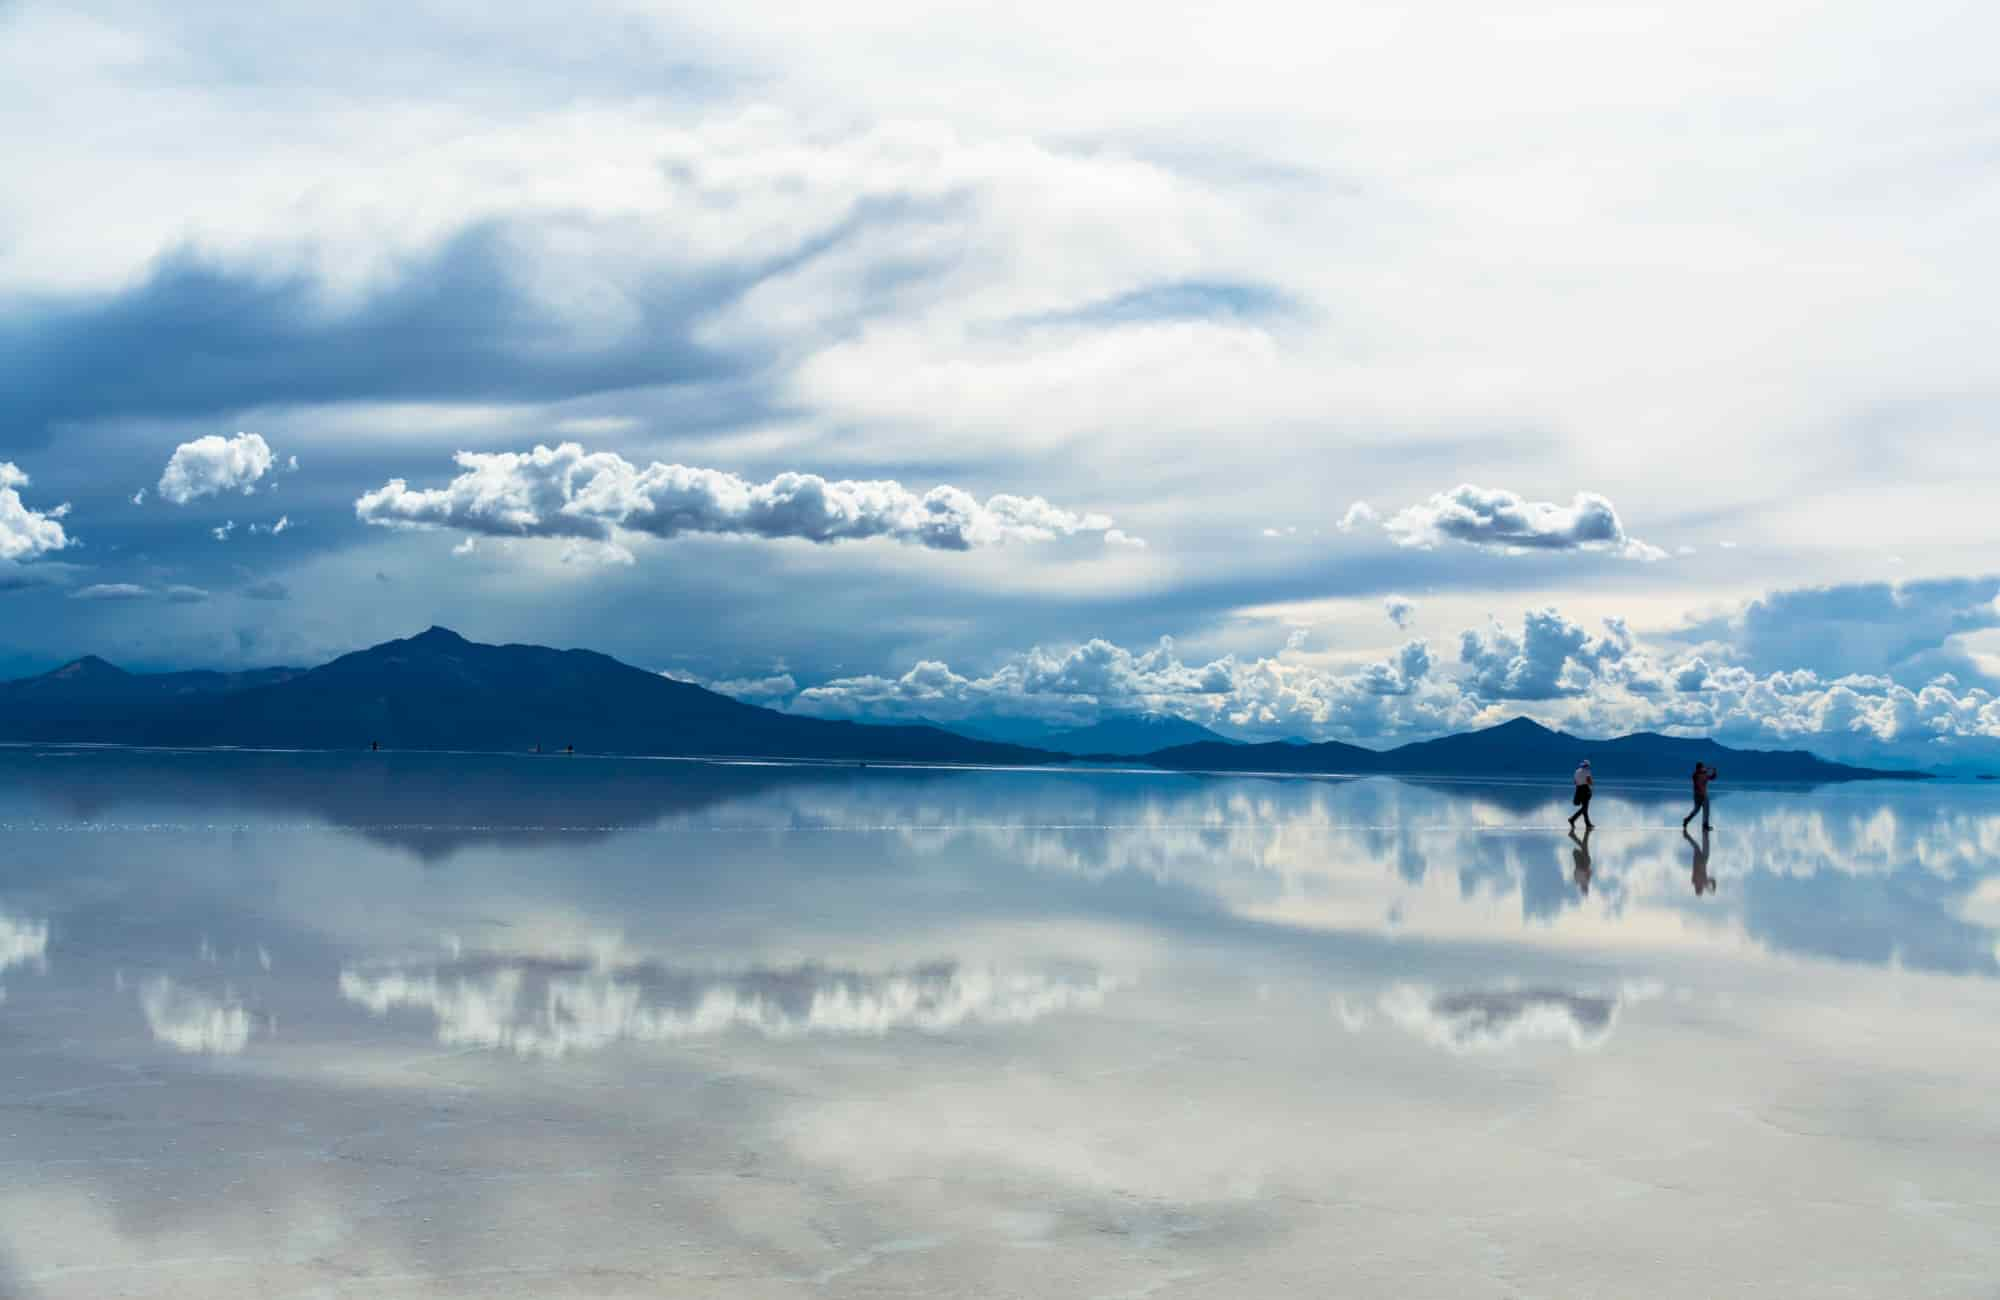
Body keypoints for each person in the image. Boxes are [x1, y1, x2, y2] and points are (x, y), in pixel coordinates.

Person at [1682, 762, 1716, 831]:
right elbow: (1699, 781)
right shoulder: (1697, 775)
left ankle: (1686, 820)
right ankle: (1705, 826)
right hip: (1702, 795)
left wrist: (1714, 772)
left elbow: (1712, 777)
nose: (1703, 768)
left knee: (1696, 810)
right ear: (1699, 768)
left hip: (1697, 795)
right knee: (1705, 811)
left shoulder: (1701, 774)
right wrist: (1708, 770)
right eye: (1702, 767)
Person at [1685, 824, 1717, 895]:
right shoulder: (1697, 882)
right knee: (1701, 845)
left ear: (1699, 888)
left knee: (1697, 846)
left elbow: (1712, 880)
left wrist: (1712, 889)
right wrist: (1712, 888)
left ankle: (1686, 835)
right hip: (1702, 860)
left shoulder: (1697, 881)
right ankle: (1704, 831)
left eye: (1701, 888)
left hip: (1699, 860)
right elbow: (1713, 880)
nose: (1701, 887)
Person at [1567, 758, 1594, 831]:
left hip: (1578, 789)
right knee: (1585, 808)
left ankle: (1588, 824)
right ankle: (1572, 819)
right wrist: (1591, 783)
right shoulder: (1587, 771)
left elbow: (1575, 782)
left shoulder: (1577, 771)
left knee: (1585, 808)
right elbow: (1589, 781)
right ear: (1587, 766)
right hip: (1585, 789)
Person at [1569, 825, 1593, 895]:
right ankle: (1574, 835)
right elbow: (1589, 871)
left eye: (1585, 888)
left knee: (1584, 845)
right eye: (1586, 888)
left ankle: (1586, 832)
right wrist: (1587, 872)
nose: (1586, 886)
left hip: (1582, 859)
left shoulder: (1579, 881)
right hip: (1584, 859)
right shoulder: (1581, 881)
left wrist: (1584, 871)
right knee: (1584, 845)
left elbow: (1578, 871)